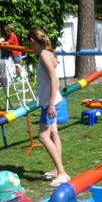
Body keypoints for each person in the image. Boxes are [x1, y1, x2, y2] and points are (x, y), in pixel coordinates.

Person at [27, 27, 71, 187]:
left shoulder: (45, 56)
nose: (29, 47)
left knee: (43, 137)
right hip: (52, 101)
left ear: (32, 41)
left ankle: (62, 173)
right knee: (53, 134)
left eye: (29, 44)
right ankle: (56, 169)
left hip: (50, 103)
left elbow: (54, 81)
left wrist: (50, 104)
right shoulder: (48, 53)